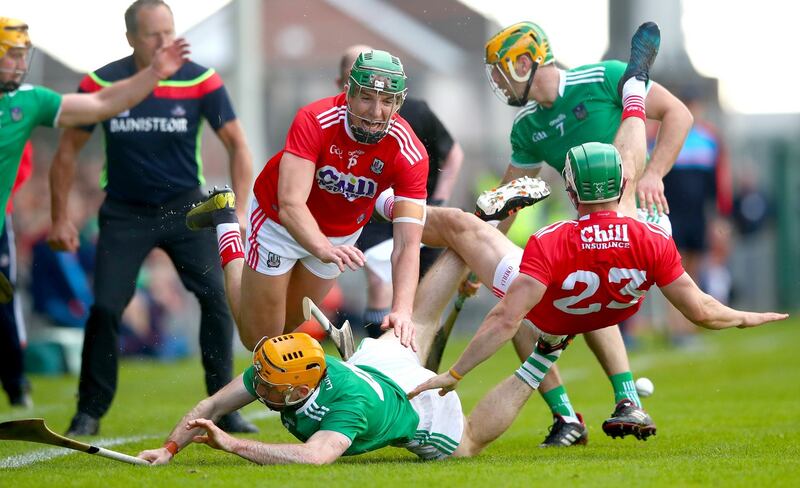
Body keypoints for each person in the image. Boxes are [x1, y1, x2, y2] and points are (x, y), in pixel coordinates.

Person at [408, 87, 787, 428]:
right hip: (610, 311)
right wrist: (746, 317)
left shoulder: (551, 238)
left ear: (572, 194)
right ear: (624, 184)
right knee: (567, 293)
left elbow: (505, 319)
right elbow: (701, 310)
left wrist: (456, 374)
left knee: (461, 228)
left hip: (550, 309)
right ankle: (620, 397)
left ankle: (387, 206)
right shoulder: (654, 236)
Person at [475, 20, 694, 445]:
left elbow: (678, 113)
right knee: (516, 300)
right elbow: (509, 199)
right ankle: (566, 419)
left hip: (635, 219)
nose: (499, 83)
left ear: (525, 62)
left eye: (502, 71)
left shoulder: (604, 76)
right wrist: (476, 254)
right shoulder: (526, 127)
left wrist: (656, 174)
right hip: (585, 227)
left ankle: (627, 398)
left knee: (590, 276)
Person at [45, 0, 255, 436]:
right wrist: (60, 218)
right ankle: (89, 412)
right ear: (130, 39)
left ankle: (225, 407)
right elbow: (65, 153)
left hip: (188, 211)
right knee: (105, 308)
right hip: (124, 214)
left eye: (170, 31)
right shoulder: (101, 82)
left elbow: (238, 144)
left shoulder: (201, 79)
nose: (165, 43)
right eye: (153, 35)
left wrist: (240, 213)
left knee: (218, 299)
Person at [185, 48, 429, 351]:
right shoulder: (315, 120)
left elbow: (406, 244)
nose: (376, 112)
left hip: (338, 237)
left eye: (387, 101)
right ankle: (226, 225)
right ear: (348, 93)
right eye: (366, 97)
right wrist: (321, 247)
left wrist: (403, 310)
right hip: (279, 221)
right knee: (258, 340)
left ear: (398, 102)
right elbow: (290, 204)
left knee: (284, 329)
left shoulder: (410, 152)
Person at [0, 13, 187, 398]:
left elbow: (101, 103)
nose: (21, 63)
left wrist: (153, 74)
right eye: (12, 55)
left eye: (24, 55)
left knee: (4, 312)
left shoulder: (28, 101)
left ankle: (16, 384)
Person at [335, 45, 464, 338]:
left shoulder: (416, 113)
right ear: (345, 86)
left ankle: (416, 361)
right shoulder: (333, 121)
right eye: (363, 90)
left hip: (416, 209)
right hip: (371, 217)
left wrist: (439, 201)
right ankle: (378, 357)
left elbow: (453, 153)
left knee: (422, 298)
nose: (374, 105)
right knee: (381, 283)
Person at [658, 92, 732, 346]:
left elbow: (719, 182)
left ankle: (690, 328)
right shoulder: (663, 137)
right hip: (670, 214)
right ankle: (676, 330)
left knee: (695, 271)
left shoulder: (709, 140)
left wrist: (721, 216)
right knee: (673, 272)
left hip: (697, 216)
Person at [0, 141, 33, 408]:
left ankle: (15, 383)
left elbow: (21, 163)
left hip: (1, 216)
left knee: (4, 298)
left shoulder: (14, 110)